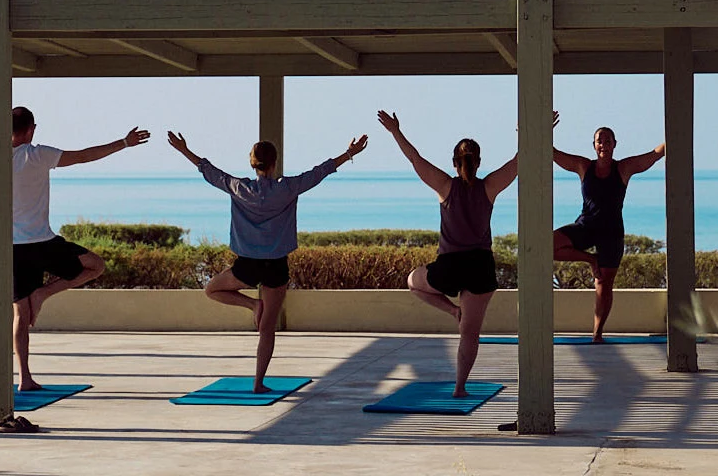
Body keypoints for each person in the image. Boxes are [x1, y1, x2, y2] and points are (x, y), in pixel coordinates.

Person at [0, 107, 149, 394]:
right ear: (31, 129)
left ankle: (25, 377)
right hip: (43, 243)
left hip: (12, 248)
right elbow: (84, 155)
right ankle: (43, 296)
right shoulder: (39, 155)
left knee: (20, 314)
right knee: (95, 266)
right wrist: (123, 143)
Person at [165, 128, 367, 393]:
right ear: (274, 163)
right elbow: (320, 172)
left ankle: (252, 304)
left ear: (253, 163)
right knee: (267, 328)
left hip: (247, 264)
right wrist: (349, 153)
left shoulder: (239, 187)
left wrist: (183, 150)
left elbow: (209, 171)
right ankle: (258, 383)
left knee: (211, 289)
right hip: (276, 264)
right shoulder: (288, 188)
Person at [376, 111, 517, 395]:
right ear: (478, 163)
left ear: (455, 163)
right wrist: (538, 129)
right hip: (480, 267)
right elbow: (519, 161)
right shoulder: (489, 187)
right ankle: (459, 387)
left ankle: (453, 310)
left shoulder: (445, 185)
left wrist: (395, 131)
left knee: (413, 281)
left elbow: (415, 159)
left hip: (450, 267)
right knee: (470, 333)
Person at [551, 115, 665, 342]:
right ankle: (590, 260)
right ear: (594, 146)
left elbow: (655, 155)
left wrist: (675, 127)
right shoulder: (584, 167)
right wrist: (545, 129)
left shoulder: (623, 168)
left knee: (603, 285)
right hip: (587, 225)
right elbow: (552, 153)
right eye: (599, 141)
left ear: (615, 144)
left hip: (611, 232)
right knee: (549, 244)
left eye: (608, 140)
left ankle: (597, 333)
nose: (603, 144)